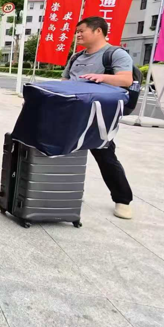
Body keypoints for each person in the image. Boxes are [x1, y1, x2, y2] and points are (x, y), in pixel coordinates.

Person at [63, 16, 134, 220]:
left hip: (99, 115)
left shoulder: (115, 54)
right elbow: (65, 81)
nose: (77, 35)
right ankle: (67, 191)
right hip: (72, 112)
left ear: (98, 31)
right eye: (76, 32)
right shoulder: (76, 57)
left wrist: (102, 78)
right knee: (62, 151)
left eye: (81, 31)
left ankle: (123, 200)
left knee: (105, 155)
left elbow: (126, 79)